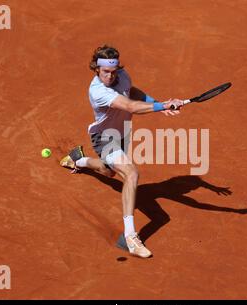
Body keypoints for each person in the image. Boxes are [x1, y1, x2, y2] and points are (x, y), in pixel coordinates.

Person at [60, 45, 183, 258]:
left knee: (109, 172)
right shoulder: (97, 91)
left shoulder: (122, 75)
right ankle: (129, 238)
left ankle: (78, 160)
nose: (110, 76)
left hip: (122, 133)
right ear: (96, 70)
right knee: (131, 173)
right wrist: (163, 106)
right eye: (105, 72)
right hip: (105, 137)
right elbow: (131, 106)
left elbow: (131, 92)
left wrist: (156, 103)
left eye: (113, 71)